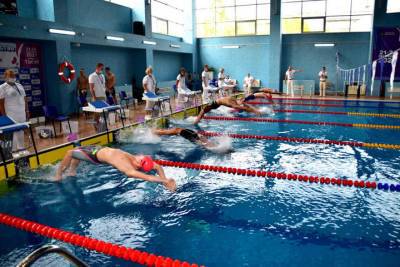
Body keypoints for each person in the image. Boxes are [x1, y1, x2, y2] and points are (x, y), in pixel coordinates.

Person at [55, 145, 176, 191]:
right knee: (74, 153)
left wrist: (164, 181)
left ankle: (62, 174)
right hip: (98, 148)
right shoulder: (137, 160)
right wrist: (165, 181)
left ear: (139, 165)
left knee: (71, 152)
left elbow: (147, 177)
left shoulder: (127, 168)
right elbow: (158, 166)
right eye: (142, 157)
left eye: (141, 159)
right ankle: (67, 173)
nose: (140, 156)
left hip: (94, 156)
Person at [0, 69, 30, 155]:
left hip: (21, 112)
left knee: (20, 131)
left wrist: (27, 110)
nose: (12, 78)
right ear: (5, 77)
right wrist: (4, 116)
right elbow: (1, 103)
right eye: (10, 76)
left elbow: (25, 98)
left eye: (13, 76)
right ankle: (12, 151)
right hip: (11, 113)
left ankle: (21, 149)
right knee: (12, 132)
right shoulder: (2, 87)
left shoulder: (19, 85)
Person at [194, 96, 261, 124]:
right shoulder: (233, 104)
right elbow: (245, 108)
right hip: (214, 103)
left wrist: (253, 109)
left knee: (204, 111)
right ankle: (195, 122)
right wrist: (255, 111)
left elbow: (244, 106)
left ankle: (197, 120)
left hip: (218, 102)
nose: (241, 105)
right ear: (240, 100)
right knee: (203, 110)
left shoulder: (235, 99)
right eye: (241, 103)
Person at [152, 128, 217, 149]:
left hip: (193, 136)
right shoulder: (207, 143)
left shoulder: (205, 144)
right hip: (195, 136)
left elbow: (201, 143)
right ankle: (159, 132)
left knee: (177, 130)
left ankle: (156, 132)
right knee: (177, 130)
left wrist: (201, 140)